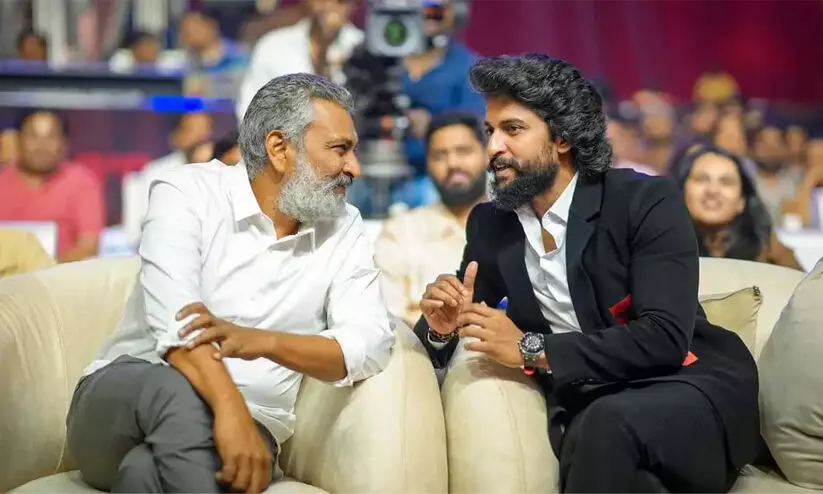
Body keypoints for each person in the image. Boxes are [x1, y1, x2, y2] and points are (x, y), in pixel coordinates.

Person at [415, 54, 760, 492]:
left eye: (513, 130)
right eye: (490, 131)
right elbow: (456, 314)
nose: (493, 147)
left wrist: (530, 348)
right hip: (591, 403)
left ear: (562, 138)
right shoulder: (492, 224)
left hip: (685, 387)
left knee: (603, 425)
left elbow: (664, 338)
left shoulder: (645, 201)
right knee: (609, 449)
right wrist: (441, 327)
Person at [65, 73, 395, 494]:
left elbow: (369, 343)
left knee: (144, 475)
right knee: (173, 390)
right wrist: (231, 410)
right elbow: (178, 325)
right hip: (126, 402)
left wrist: (264, 342)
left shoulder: (344, 226)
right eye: (340, 149)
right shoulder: (186, 191)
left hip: (253, 428)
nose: (354, 168)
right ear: (279, 149)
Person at [375, 111, 487, 328]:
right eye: (440, 155)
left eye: (463, 151)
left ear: (487, 155)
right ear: (427, 164)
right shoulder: (401, 232)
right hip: (423, 347)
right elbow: (387, 321)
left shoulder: (515, 224)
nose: (453, 163)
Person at [674, 144, 801, 270]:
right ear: (682, 192)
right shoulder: (664, 246)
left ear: (742, 201)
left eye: (726, 182)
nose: (712, 191)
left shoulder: (768, 249)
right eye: (702, 179)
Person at [0, 110, 104, 262]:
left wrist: (46, 269)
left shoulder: (81, 181)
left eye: (51, 137)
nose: (42, 146)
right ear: (18, 140)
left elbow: (89, 248)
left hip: (64, 274)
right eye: (33, 136)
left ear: (64, 143)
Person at [236, 0, 362, 121]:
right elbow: (250, 111)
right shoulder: (274, 47)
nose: (332, 6)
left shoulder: (361, 48)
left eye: (341, 0)